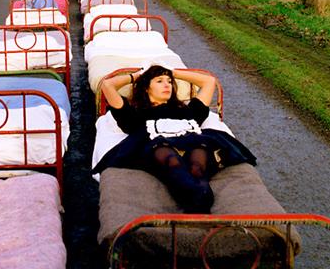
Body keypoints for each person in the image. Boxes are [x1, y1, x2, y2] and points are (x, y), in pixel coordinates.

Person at [94, 65, 256, 213]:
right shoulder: (135, 116)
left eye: (170, 82)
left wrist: (173, 72)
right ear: (146, 88)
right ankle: (198, 206)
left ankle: (200, 205)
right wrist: (137, 76)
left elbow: (209, 81)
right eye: (159, 81)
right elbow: (107, 86)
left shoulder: (188, 111)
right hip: (159, 145)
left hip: (193, 141)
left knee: (197, 168)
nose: (167, 85)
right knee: (171, 160)